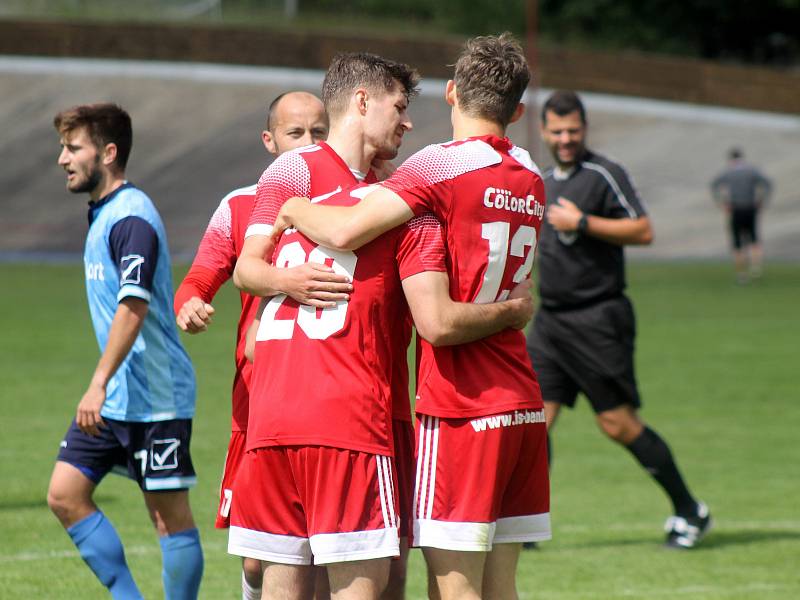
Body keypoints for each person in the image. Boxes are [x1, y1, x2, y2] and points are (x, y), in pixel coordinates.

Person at [231, 51, 535, 600]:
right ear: (364, 102)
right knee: (341, 574)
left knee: (378, 570)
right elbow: (246, 268)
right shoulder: (308, 172)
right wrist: (287, 281)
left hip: (356, 404)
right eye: (399, 106)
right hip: (350, 412)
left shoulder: (394, 189)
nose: (408, 121)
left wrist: (290, 241)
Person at [526, 89, 712, 549]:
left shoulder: (604, 175)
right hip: (550, 323)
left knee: (618, 425)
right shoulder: (542, 179)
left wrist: (584, 223)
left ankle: (690, 510)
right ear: (545, 132)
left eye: (573, 131)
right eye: (557, 131)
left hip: (597, 319)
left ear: (584, 129)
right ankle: (525, 522)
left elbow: (643, 230)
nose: (566, 139)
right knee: (532, 419)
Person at [173, 90, 335, 600]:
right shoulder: (242, 205)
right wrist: (189, 303)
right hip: (260, 405)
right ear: (269, 141)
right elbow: (200, 278)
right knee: (259, 558)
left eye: (319, 132)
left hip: (334, 400)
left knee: (330, 554)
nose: (309, 143)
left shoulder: (355, 202)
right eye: (296, 133)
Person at [46, 103, 203, 599]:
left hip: (155, 395)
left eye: (74, 148)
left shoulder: (132, 218)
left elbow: (132, 307)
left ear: (108, 153)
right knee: (65, 495)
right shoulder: (105, 214)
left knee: (168, 518)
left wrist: (97, 381)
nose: (62, 159)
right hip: (118, 398)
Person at [711, 147, 772, 283]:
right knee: (754, 239)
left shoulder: (728, 172)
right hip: (751, 207)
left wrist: (721, 203)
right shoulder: (752, 170)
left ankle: (741, 273)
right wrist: (762, 200)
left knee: (737, 242)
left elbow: (714, 185)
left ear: (731, 159)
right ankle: (756, 268)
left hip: (735, 208)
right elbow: (768, 183)